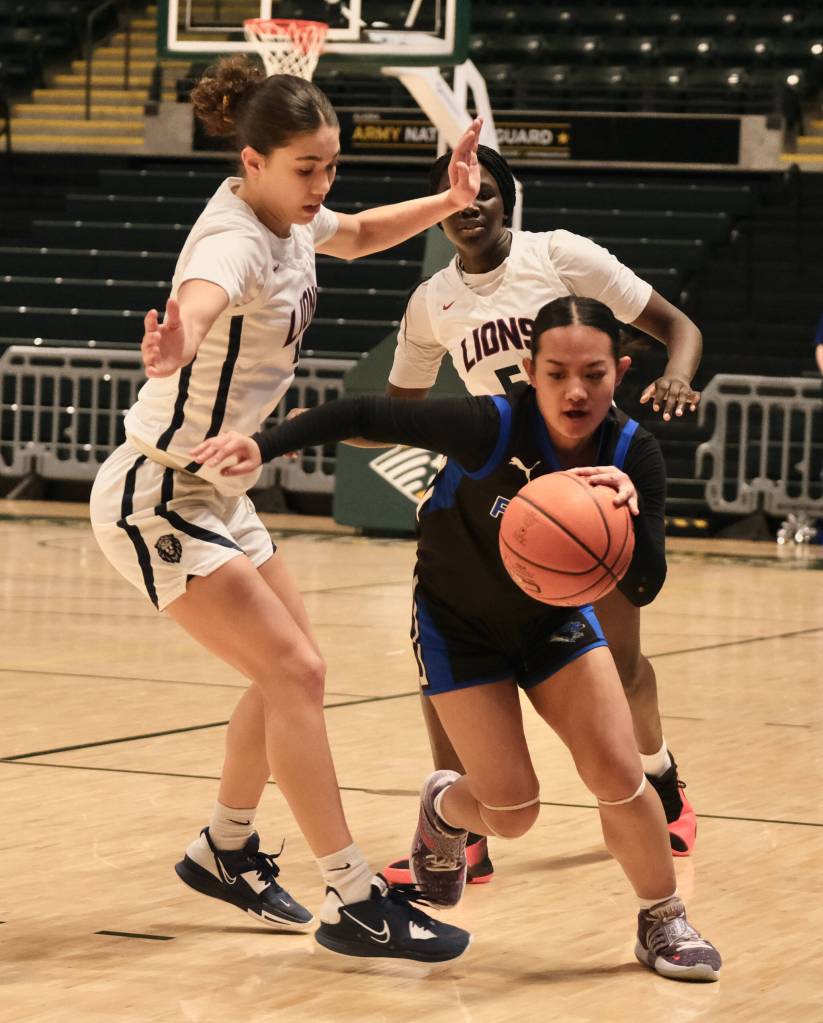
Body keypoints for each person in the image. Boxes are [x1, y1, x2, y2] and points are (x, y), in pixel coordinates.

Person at [191, 295, 722, 982]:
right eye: (557, 373)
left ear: (618, 372)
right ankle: (443, 810)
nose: (576, 390)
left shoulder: (630, 451)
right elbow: (366, 414)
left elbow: (644, 586)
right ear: (528, 369)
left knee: (618, 775)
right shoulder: (489, 425)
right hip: (458, 628)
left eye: (593, 373)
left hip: (554, 624)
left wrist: (626, 511)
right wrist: (260, 446)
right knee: (513, 811)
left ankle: (662, 918)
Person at [89, 56, 482, 964]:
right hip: (158, 493)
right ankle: (353, 895)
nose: (323, 184)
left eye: (332, 165)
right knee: (295, 672)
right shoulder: (232, 239)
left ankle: (224, 847)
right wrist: (178, 338)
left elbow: (360, 232)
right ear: (252, 161)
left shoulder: (294, 219)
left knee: (293, 673)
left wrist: (448, 199)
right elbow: (201, 297)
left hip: (218, 488)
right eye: (307, 168)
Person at [373, 146, 703, 884]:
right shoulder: (431, 301)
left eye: (484, 192)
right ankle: (463, 835)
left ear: (507, 200)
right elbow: (402, 408)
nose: (469, 206)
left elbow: (677, 325)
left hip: (589, 491)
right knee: (447, 667)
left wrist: (678, 376)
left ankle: (660, 777)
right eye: (454, 195)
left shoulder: (558, 256)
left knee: (619, 665)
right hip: (497, 501)